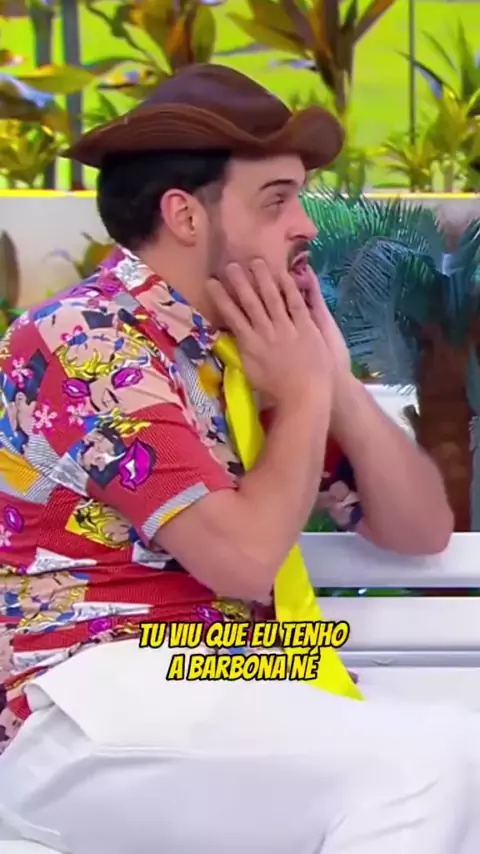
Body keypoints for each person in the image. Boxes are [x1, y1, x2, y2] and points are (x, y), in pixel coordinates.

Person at [0, 63, 477, 854]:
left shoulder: (255, 346)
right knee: (426, 769)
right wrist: (302, 396)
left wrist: (331, 380)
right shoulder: (86, 340)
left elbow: (420, 529)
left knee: (459, 756)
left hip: (226, 693)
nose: (306, 226)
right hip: (94, 708)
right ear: (185, 215)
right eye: (276, 200)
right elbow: (245, 562)